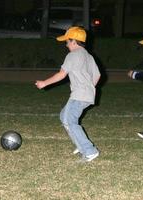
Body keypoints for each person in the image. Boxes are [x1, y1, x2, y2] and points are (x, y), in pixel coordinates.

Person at [35, 26, 101, 162]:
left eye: (67, 41)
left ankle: (89, 151)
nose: (66, 44)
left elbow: (61, 74)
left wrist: (44, 83)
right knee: (64, 117)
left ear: (74, 41)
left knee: (69, 121)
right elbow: (98, 75)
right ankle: (80, 144)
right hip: (87, 94)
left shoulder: (72, 55)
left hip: (79, 95)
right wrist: (88, 88)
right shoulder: (88, 56)